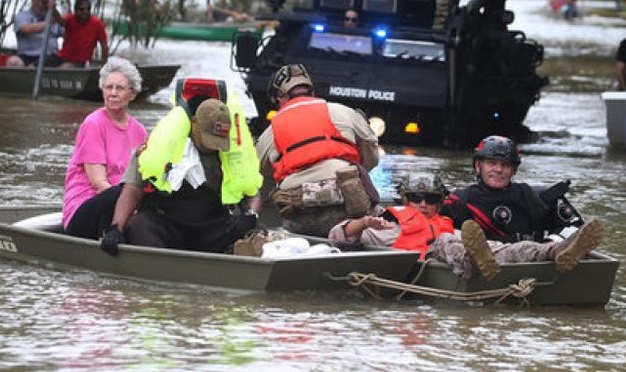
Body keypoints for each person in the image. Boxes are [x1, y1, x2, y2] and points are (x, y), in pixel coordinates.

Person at [329, 172, 603, 280]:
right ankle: (475, 259)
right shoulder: (384, 223)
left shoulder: (448, 223)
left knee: (506, 248)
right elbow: (337, 237)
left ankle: (557, 252)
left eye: (431, 199)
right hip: (434, 255)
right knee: (448, 244)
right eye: (416, 198)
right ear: (404, 199)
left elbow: (469, 238)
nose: (423, 204)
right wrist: (363, 222)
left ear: (441, 202)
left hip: (467, 245)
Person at [100, 96, 263, 255]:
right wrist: (116, 228)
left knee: (249, 233)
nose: (214, 146)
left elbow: (253, 194)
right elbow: (133, 189)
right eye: (209, 139)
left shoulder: (232, 155)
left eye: (218, 141)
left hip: (211, 225)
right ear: (194, 124)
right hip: (166, 221)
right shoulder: (157, 148)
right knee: (138, 225)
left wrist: (250, 216)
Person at [439, 135, 603, 278]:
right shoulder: (459, 200)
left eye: (505, 165)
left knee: (566, 242)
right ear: (477, 166)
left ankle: (553, 252)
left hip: (537, 261)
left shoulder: (537, 197)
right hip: (487, 266)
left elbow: (577, 228)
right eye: (491, 163)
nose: (498, 169)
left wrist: (550, 243)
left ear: (514, 170)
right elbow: (432, 228)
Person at [256, 64, 381, 237]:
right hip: (350, 205)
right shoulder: (344, 111)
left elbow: (260, 181)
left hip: (298, 214)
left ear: (279, 98)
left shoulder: (269, 133)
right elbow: (372, 156)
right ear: (312, 92)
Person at [62, 58, 148, 240]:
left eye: (120, 88)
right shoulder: (93, 124)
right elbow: (99, 184)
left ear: (132, 94)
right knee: (121, 191)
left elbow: (144, 179)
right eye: (109, 88)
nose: (113, 93)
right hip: (84, 208)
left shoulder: (140, 131)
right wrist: (127, 211)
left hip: (120, 207)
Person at [8, 0, 65, 67]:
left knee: (51, 61)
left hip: (49, 56)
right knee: (13, 62)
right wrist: (48, 23)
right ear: (33, 1)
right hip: (26, 55)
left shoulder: (56, 17)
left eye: (49, 3)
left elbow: (67, 32)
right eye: (44, 2)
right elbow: (26, 29)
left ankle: (31, 69)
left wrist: (55, 14)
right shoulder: (22, 16)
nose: (46, 6)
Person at [58, 0, 108, 68]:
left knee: (64, 68)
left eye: (88, 9)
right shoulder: (70, 19)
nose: (85, 11)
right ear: (76, 10)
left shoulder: (97, 24)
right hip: (63, 57)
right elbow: (60, 21)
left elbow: (104, 45)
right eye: (82, 9)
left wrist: (104, 65)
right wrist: (53, 9)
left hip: (81, 62)